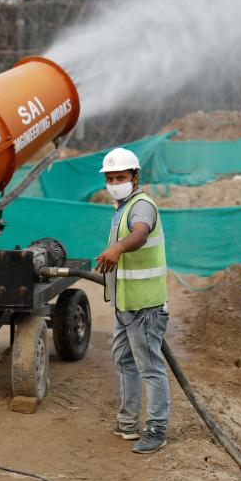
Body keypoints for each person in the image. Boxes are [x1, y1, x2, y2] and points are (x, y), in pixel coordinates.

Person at [94, 147, 170, 454]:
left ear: (135, 176)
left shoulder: (141, 206)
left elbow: (139, 234)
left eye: (120, 177)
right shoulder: (121, 207)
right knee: (125, 362)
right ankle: (127, 422)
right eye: (110, 178)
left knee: (150, 367)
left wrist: (118, 248)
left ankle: (157, 429)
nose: (114, 182)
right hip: (125, 304)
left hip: (146, 306)